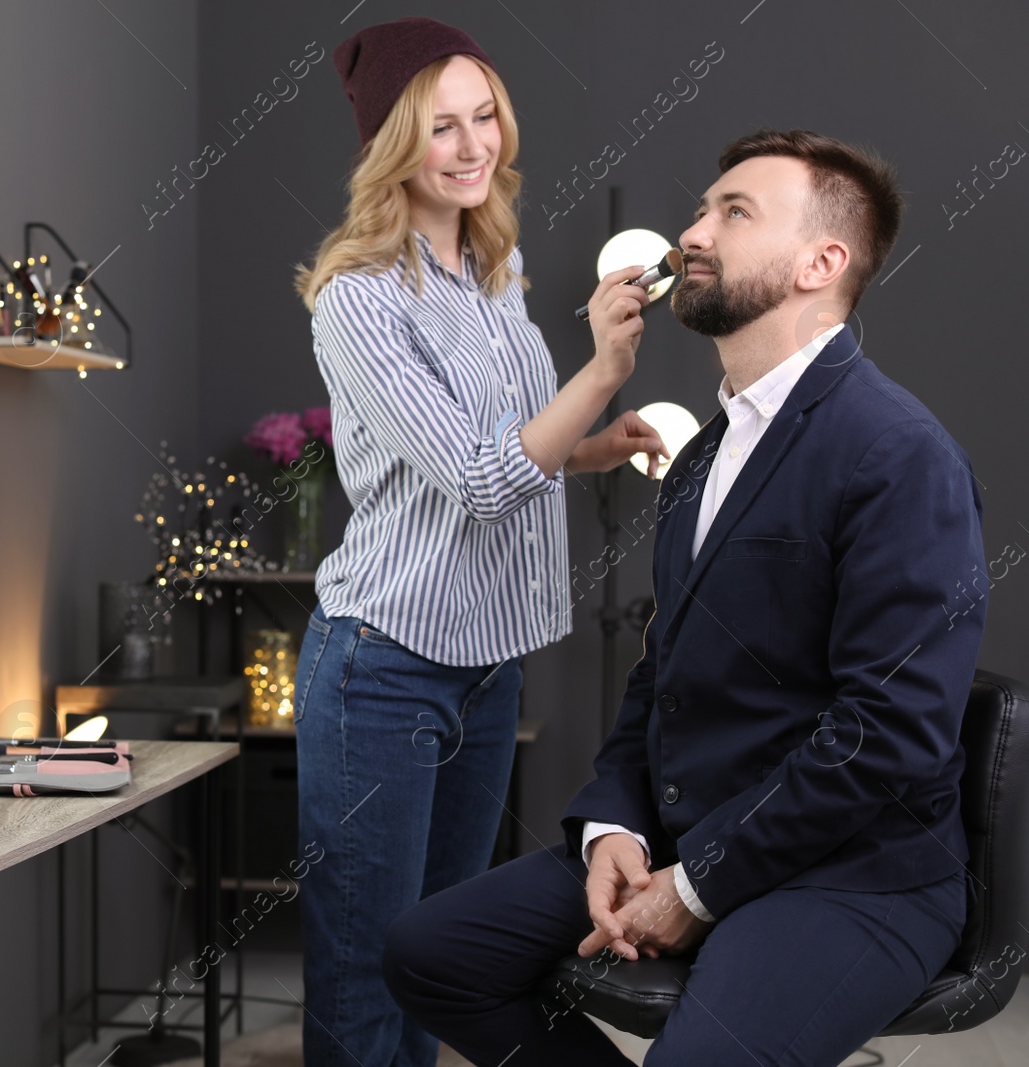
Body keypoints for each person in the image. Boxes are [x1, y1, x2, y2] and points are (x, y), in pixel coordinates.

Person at [382, 127, 988, 1067]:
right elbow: (660, 674)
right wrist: (614, 826)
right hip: (684, 828)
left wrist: (697, 884)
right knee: (429, 954)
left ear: (821, 261)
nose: (692, 233)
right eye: (705, 208)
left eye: (733, 213)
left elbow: (893, 728)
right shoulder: (700, 452)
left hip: (857, 875)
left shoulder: (899, 454)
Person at [291, 17, 668, 1066]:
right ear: (390, 148)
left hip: (485, 666)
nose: (469, 147)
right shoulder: (355, 299)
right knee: (368, 974)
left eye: (482, 117)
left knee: (433, 958)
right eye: (437, 128)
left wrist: (593, 446)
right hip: (382, 667)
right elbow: (479, 476)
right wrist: (600, 369)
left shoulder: (493, 274)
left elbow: (507, 442)